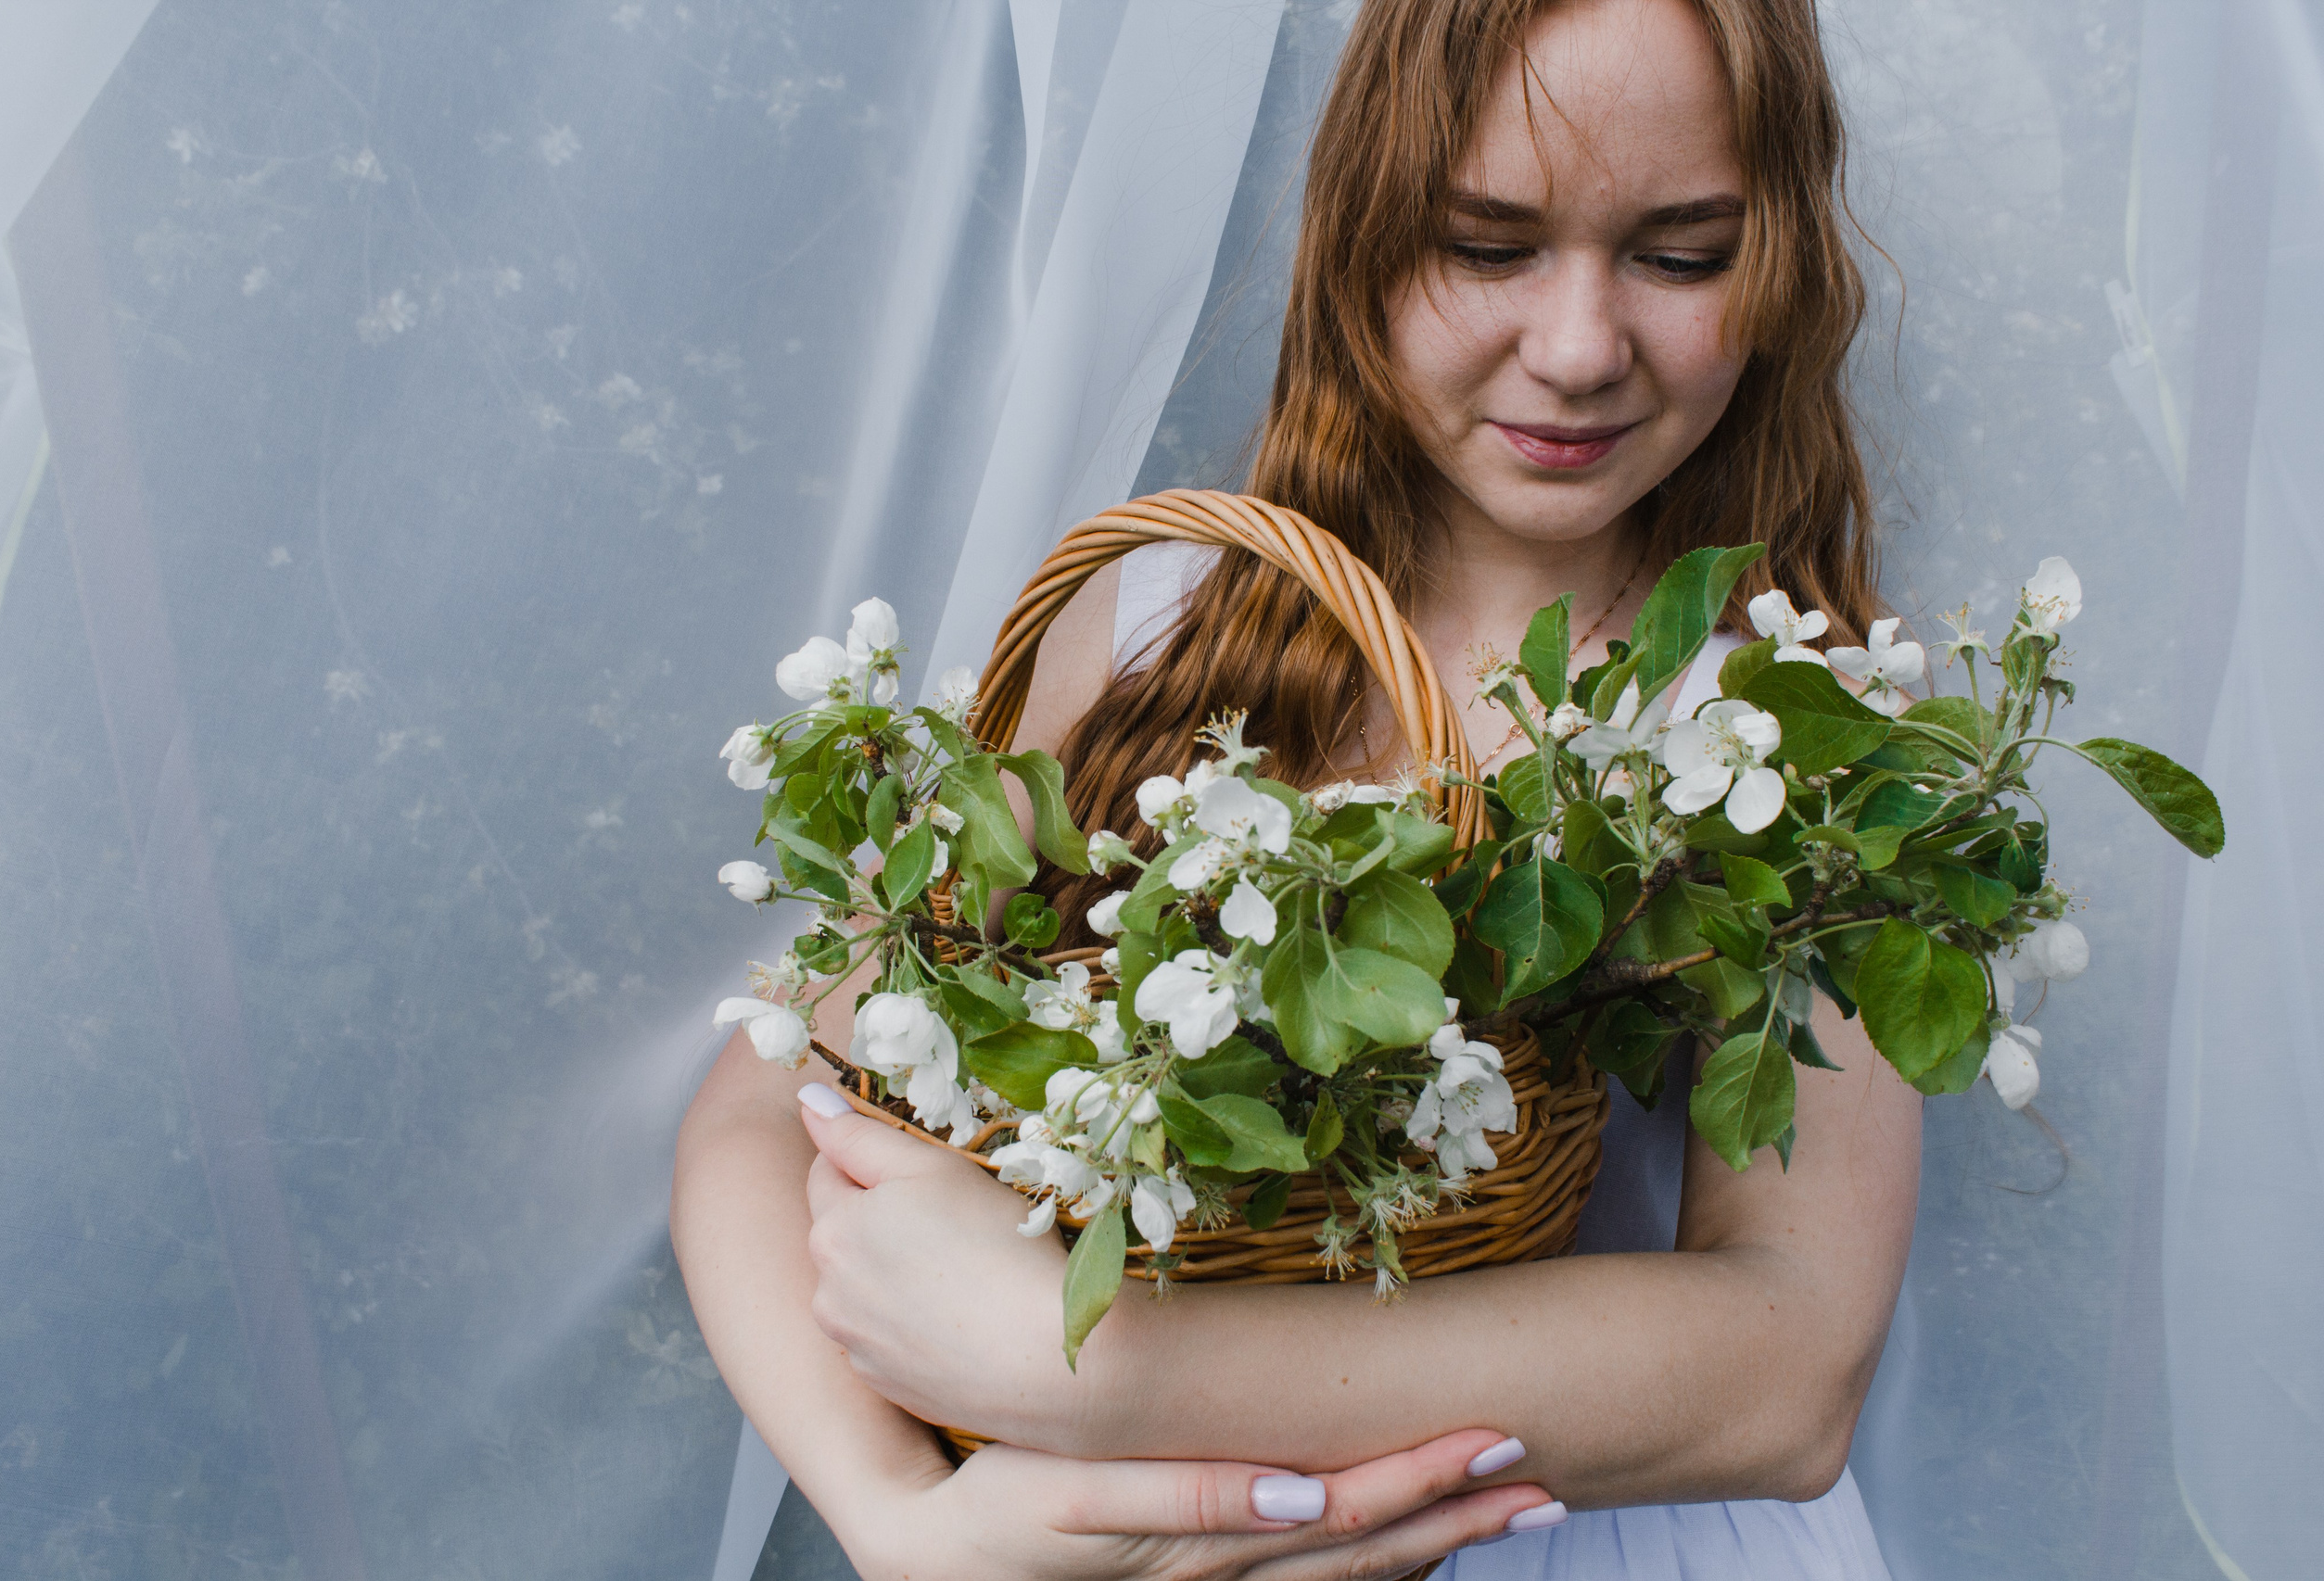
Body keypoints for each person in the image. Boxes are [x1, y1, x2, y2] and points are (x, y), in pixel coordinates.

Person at [672, 0, 1916, 1575]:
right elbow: (755, 1109)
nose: (1585, 346)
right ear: (1362, 241)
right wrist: (899, 1515)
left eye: (1682, 256)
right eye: (1487, 244)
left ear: (1783, 262)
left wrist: (1104, 1368)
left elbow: (1789, 1365)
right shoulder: (1148, 627)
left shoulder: (1792, 730)